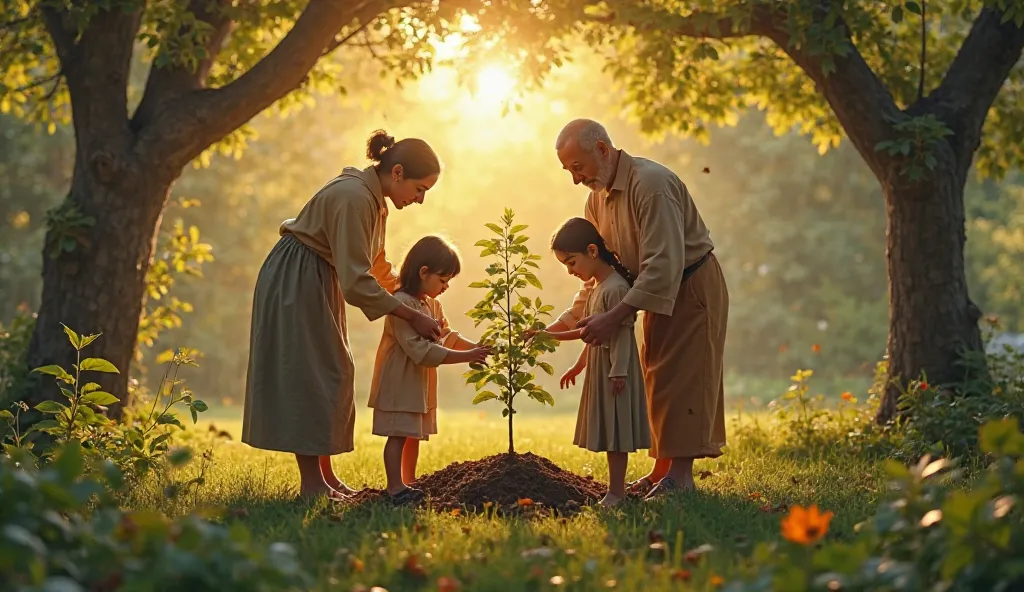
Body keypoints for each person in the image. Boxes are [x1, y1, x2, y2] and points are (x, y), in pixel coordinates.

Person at [242, 130, 446, 501]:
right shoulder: (355, 198)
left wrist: (412, 297)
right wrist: (410, 315)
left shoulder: (373, 200)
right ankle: (312, 486)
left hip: (317, 276)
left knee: (331, 371)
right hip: (298, 278)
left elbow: (376, 264)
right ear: (397, 172)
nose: (419, 200)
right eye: (420, 189)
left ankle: (326, 477)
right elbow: (356, 281)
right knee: (314, 374)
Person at [545, 119, 730, 499]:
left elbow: (662, 265)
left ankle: (680, 478)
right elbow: (600, 272)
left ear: (601, 149)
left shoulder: (651, 185)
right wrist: (564, 323)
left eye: (577, 167)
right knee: (656, 378)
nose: (575, 179)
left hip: (690, 285)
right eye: (568, 171)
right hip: (646, 294)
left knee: (685, 378)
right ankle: (662, 471)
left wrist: (613, 318)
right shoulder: (595, 199)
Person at [529, 218, 651, 507]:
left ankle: (617, 492)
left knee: (617, 432)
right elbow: (593, 336)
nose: (570, 271)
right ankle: (615, 490)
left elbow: (620, 336)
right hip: (603, 366)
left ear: (593, 251)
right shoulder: (597, 287)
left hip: (614, 370)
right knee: (611, 429)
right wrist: (580, 364)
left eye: (572, 262)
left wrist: (618, 371)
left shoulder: (616, 289)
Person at [367, 235, 491, 505]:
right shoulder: (400, 305)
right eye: (443, 280)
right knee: (398, 434)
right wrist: (467, 356)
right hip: (400, 381)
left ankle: (409, 482)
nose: (446, 287)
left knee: (412, 434)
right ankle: (395, 488)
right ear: (423, 272)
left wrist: (478, 348)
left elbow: (445, 335)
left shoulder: (432, 304)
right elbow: (420, 350)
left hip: (418, 381)